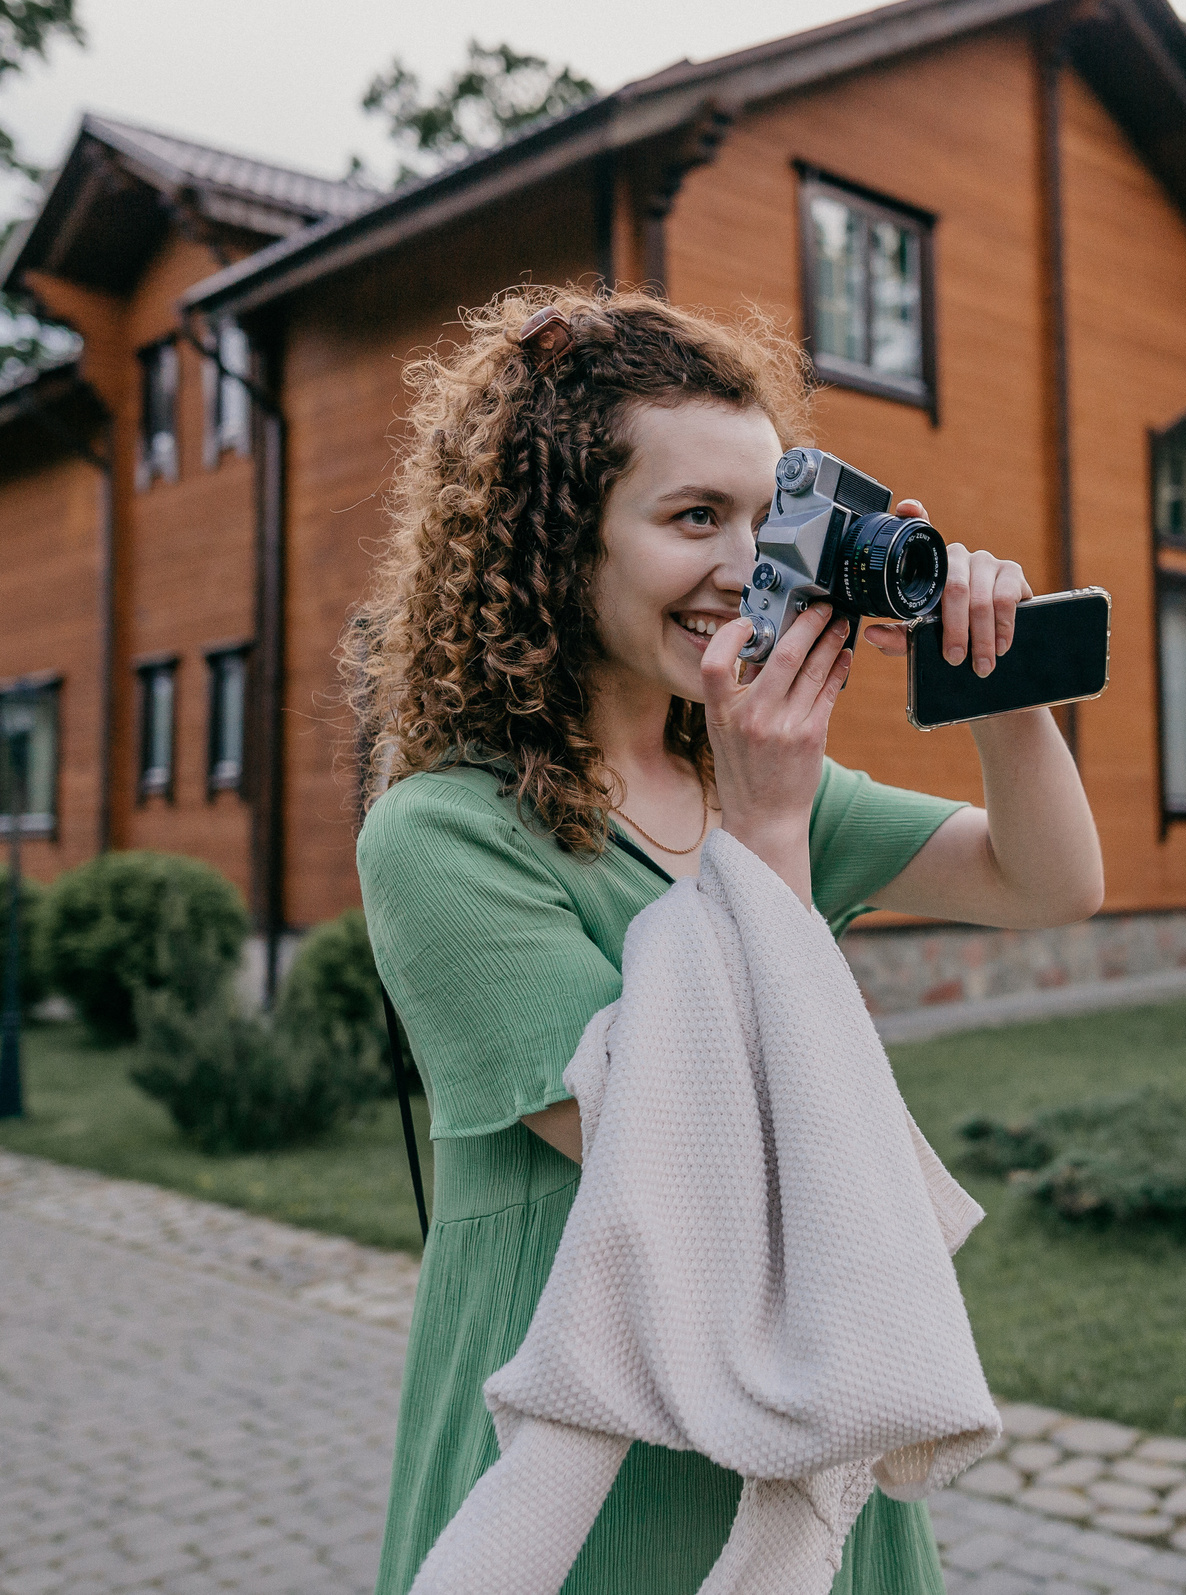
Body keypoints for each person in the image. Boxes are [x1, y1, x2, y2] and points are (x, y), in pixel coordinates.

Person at [350, 286, 1104, 1595]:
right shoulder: (442, 837)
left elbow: (1049, 884)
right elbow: (682, 1165)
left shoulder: (751, 782)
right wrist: (764, 832)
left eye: (767, 519)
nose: (745, 565)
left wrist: (999, 684)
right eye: (693, 517)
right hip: (594, 1474)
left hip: (814, 1430)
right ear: (551, 544)